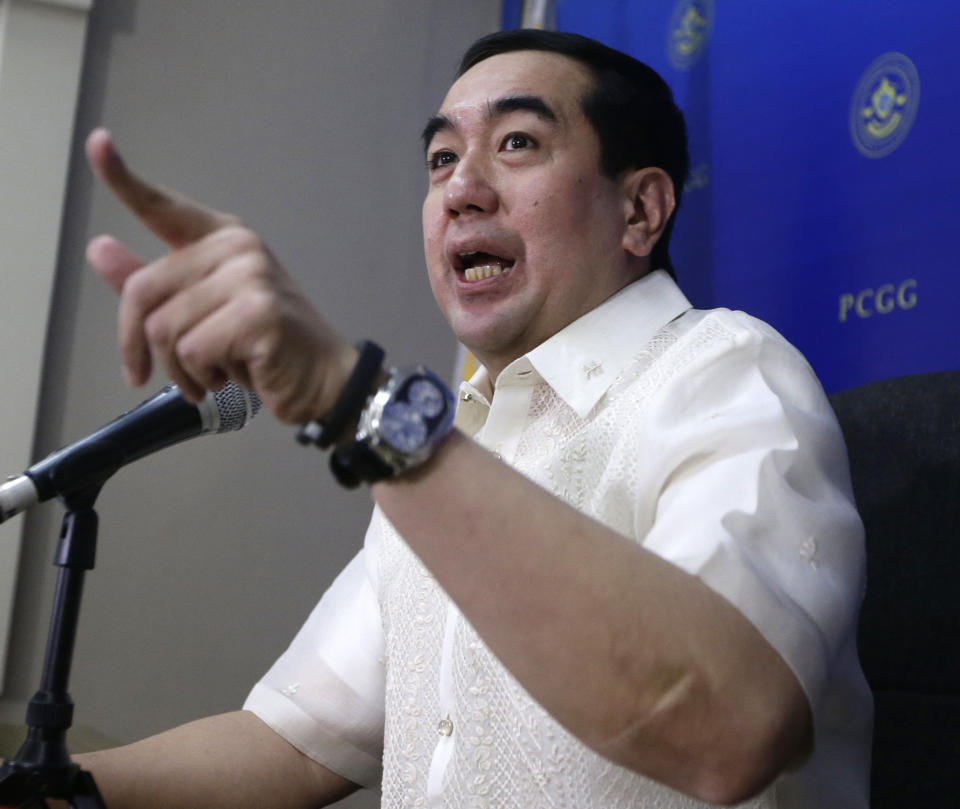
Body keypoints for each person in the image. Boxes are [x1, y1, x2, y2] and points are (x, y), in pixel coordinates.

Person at [53, 29, 870, 809]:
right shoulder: (458, 446)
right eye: (442, 158)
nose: (460, 188)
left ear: (641, 211)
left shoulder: (724, 371)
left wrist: (353, 398)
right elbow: (288, 745)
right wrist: (40, 787)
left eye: (517, 143)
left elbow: (727, 725)